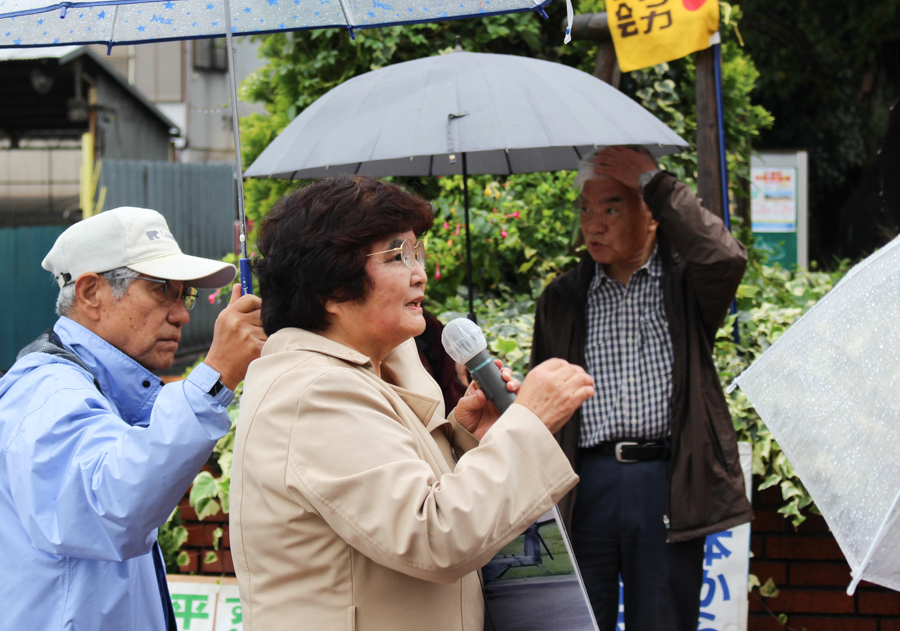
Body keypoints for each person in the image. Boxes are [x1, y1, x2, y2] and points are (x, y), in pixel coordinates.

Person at [229, 175, 595, 631]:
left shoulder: (353, 375)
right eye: (398, 255)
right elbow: (435, 535)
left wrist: (466, 438)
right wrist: (530, 422)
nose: (419, 271)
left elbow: (407, 498)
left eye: (416, 251)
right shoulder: (315, 391)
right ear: (331, 287)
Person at [0, 207, 266, 630]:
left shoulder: (93, 389)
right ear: (90, 293)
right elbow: (112, 508)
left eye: (185, 295)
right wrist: (216, 375)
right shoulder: (50, 392)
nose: (182, 315)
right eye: (164, 291)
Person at [530, 146, 753, 631]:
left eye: (611, 207)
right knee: (578, 621)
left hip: (665, 482)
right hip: (583, 483)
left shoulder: (685, 285)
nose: (594, 224)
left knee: (664, 621)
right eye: (586, 210)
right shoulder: (563, 298)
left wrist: (655, 180)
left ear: (651, 216)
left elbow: (725, 257)